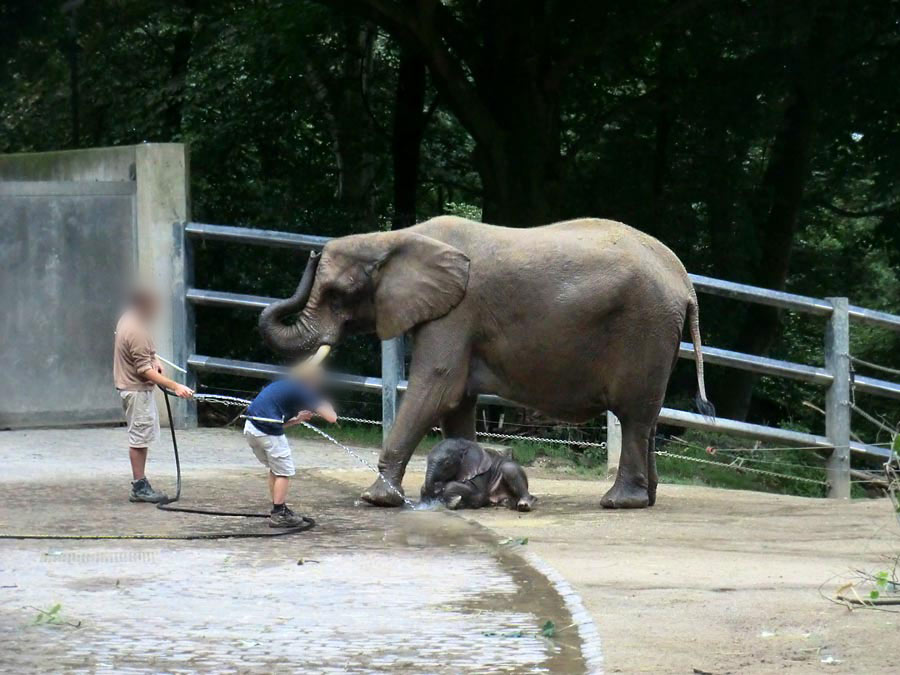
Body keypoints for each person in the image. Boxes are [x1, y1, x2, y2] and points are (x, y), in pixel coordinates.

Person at [113, 289, 193, 503]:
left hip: (135, 389)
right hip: (137, 391)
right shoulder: (136, 329)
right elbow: (143, 370)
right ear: (143, 306)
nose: (156, 311)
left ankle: (141, 483)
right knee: (139, 439)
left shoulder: (128, 319)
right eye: (154, 307)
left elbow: (144, 356)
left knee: (142, 437)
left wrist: (154, 359)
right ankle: (139, 486)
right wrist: (175, 386)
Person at [244, 365, 337, 527]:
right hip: (267, 433)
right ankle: (279, 513)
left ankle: (278, 507)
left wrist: (298, 419)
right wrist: (326, 404)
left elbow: (276, 421)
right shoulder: (304, 390)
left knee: (275, 469)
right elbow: (332, 418)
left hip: (251, 429)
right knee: (284, 472)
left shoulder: (283, 385)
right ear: (313, 380)